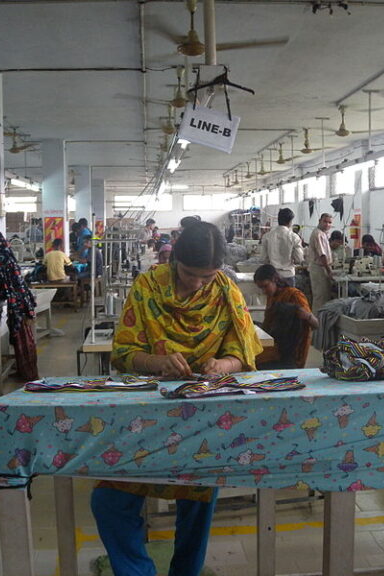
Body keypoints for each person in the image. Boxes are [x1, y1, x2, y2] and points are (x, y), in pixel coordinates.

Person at [96, 222, 261, 576]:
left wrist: (222, 364)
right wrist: (156, 362)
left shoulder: (225, 291)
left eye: (207, 276)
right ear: (175, 261)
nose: (197, 284)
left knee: (200, 498)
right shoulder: (147, 287)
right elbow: (123, 352)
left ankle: (185, 571)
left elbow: (243, 354)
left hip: (200, 416)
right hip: (144, 415)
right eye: (189, 273)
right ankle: (137, 571)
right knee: (109, 500)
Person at [0, 230, 38, 380]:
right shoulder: (8, 254)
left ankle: (28, 375)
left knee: (21, 340)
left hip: (16, 304)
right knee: (23, 340)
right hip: (21, 301)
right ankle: (26, 371)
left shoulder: (0, 259)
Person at [254, 264, 317, 369]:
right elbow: (267, 325)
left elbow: (316, 325)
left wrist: (307, 316)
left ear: (274, 279)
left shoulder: (295, 296)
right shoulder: (272, 297)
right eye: (261, 288)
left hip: (290, 355)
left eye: (265, 286)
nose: (264, 291)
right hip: (277, 345)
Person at [260, 207, 304, 287]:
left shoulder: (267, 236)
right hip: (288, 275)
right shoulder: (294, 237)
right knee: (289, 298)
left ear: (278, 219)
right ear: (290, 221)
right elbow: (299, 259)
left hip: (273, 275)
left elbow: (263, 259)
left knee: (275, 299)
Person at [308, 213, 333, 311]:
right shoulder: (317, 234)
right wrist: (329, 270)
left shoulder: (323, 234)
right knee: (320, 297)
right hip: (319, 269)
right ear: (319, 221)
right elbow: (322, 255)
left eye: (329, 222)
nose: (327, 224)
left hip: (322, 268)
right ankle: (316, 323)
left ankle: (321, 321)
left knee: (324, 297)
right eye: (325, 222)